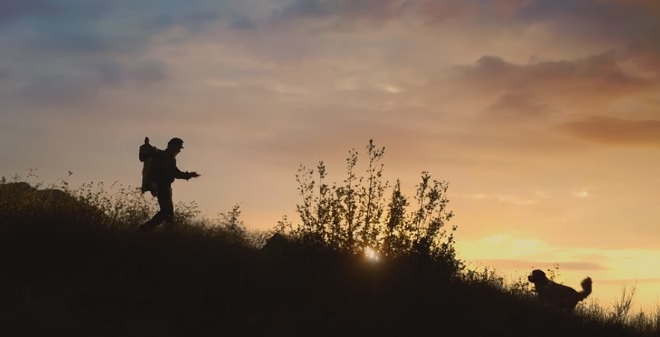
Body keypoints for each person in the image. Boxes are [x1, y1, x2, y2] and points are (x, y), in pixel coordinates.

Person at [138, 137, 200, 231]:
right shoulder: (164, 157)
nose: (179, 151)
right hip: (162, 187)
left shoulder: (168, 158)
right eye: (178, 148)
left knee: (169, 216)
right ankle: (143, 230)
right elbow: (173, 173)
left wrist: (189, 175)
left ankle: (167, 237)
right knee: (165, 213)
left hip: (166, 188)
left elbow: (175, 173)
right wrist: (189, 175)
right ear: (172, 146)